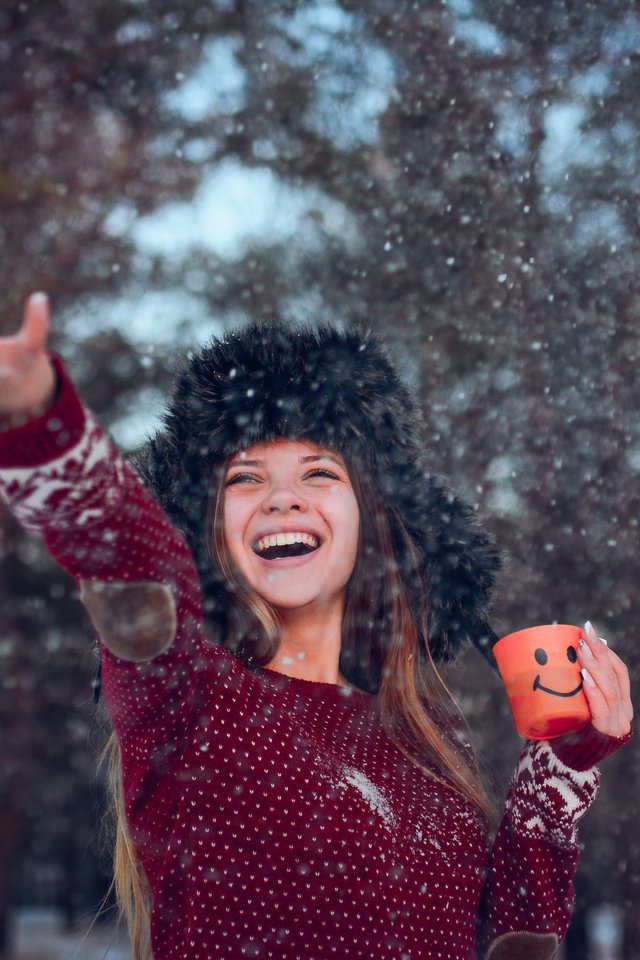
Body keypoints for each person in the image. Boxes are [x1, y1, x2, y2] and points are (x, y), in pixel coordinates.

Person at [0, 293, 633, 960]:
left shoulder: (429, 732)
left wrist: (561, 768)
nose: (283, 497)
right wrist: (41, 421)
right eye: (245, 477)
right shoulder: (185, 694)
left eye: (318, 471)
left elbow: (510, 943)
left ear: (368, 517)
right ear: (209, 526)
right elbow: (132, 560)